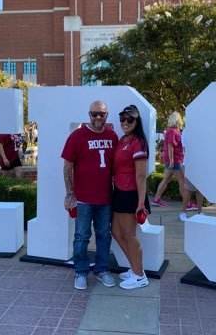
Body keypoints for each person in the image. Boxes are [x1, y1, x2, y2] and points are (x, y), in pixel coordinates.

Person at [61, 100, 118, 290]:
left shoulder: (112, 136)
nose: (98, 117)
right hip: (83, 199)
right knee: (81, 237)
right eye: (94, 114)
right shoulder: (77, 136)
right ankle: (81, 271)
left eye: (101, 114)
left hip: (105, 198)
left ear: (107, 115)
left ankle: (102, 270)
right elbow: (67, 167)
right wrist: (69, 193)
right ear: (89, 115)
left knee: (104, 235)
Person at [112, 105, 150, 289]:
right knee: (116, 232)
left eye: (130, 119)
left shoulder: (138, 142)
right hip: (119, 191)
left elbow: (141, 176)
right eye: (122, 119)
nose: (125, 123)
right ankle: (134, 268)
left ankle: (140, 275)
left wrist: (141, 202)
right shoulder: (122, 140)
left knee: (129, 235)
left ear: (137, 122)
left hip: (132, 194)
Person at [152, 112, 189, 211]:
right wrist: (172, 161)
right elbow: (170, 146)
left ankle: (156, 199)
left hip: (171, 159)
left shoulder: (170, 130)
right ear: (177, 120)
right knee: (182, 181)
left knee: (166, 180)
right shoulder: (173, 131)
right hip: (175, 160)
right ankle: (187, 203)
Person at [180, 128, 204, 221]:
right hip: (190, 163)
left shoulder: (202, 129)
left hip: (201, 163)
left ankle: (200, 212)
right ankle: (183, 212)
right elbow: (185, 147)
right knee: (189, 190)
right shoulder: (187, 130)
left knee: (200, 189)